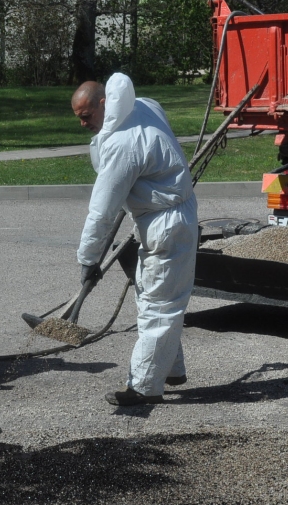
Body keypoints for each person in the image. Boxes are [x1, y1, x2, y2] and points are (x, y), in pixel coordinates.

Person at [72, 73, 199, 406]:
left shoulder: (121, 145)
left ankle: (144, 387)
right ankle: (171, 368)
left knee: (159, 303)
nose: (83, 123)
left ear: (103, 103)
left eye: (86, 116)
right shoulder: (144, 105)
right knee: (153, 294)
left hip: (165, 222)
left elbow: (101, 212)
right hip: (164, 215)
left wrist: (88, 259)